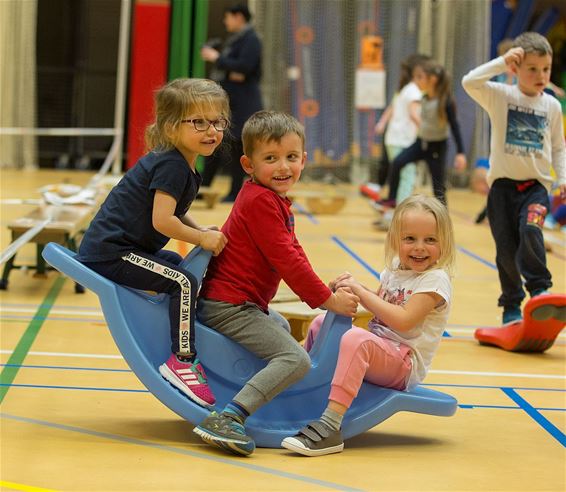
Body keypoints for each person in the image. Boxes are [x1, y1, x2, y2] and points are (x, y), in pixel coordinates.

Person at [193, 110, 360, 456]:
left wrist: (323, 291)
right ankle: (229, 416)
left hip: (240, 303)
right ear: (248, 164)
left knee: (282, 326)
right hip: (229, 305)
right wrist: (327, 300)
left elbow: (293, 250)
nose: (283, 167)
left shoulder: (272, 198)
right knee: (295, 358)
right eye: (271, 159)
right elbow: (287, 261)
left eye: (291, 157)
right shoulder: (260, 202)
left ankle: (259, 395)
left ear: (304, 160)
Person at [76, 78, 229, 408]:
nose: (211, 130)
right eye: (199, 122)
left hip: (129, 248)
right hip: (111, 252)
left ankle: (181, 328)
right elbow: (163, 221)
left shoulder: (182, 163)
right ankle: (182, 360)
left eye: (217, 121)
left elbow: (173, 213)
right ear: (172, 127)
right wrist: (202, 237)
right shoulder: (172, 165)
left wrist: (200, 229)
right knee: (184, 281)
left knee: (177, 264)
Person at [281, 194, 455, 456]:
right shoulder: (395, 270)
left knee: (355, 340)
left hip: (403, 362)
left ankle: (330, 427)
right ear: (396, 239)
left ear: (444, 243)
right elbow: (376, 310)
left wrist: (361, 293)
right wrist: (345, 293)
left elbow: (403, 320)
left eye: (430, 240)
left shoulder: (435, 281)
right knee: (321, 324)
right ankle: (301, 392)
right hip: (381, 348)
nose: (419, 247)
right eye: (410, 239)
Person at [462, 31, 566, 326]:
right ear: (516, 69)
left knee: (531, 230)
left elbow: (559, 147)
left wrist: (562, 181)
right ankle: (510, 304)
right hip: (502, 189)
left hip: (536, 187)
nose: (541, 75)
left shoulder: (552, 106)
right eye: (532, 68)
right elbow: (469, 82)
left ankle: (540, 289)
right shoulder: (502, 96)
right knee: (506, 250)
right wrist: (500, 62)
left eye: (545, 69)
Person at [379, 60, 467, 208]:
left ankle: (443, 217)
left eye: (420, 77)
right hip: (421, 143)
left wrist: (461, 152)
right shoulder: (424, 97)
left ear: (432, 80)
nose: (416, 81)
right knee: (397, 162)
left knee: (438, 186)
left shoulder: (445, 101)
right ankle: (392, 199)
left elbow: (455, 126)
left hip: (437, 147)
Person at [200, 4, 263, 202]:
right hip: (230, 101)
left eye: (228, 17)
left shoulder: (251, 39)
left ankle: (236, 192)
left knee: (237, 146)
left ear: (238, 17)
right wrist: (229, 68)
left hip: (243, 102)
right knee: (217, 143)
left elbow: (244, 68)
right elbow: (235, 71)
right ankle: (203, 189)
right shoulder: (237, 39)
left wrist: (217, 58)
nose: (225, 21)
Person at [375, 54, 429, 204]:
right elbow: (413, 114)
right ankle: (401, 209)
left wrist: (381, 123)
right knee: (408, 175)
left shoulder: (405, 89)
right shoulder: (413, 91)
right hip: (401, 140)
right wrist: (428, 130)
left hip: (394, 139)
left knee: (403, 174)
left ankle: (395, 206)